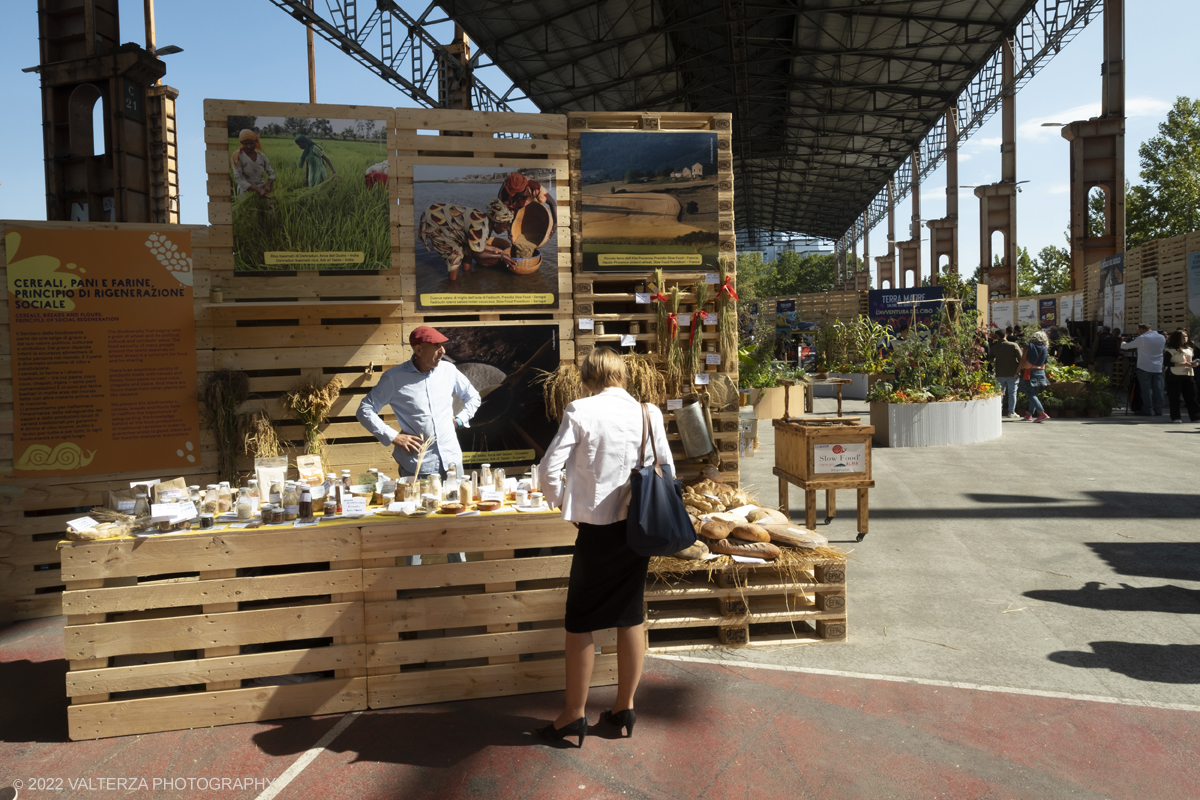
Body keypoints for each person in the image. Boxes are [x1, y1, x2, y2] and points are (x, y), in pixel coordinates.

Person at [535, 348, 673, 747]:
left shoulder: (581, 410)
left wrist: (563, 502)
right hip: (639, 529)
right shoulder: (649, 413)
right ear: (623, 378)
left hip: (596, 529)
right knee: (630, 614)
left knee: (580, 620)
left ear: (587, 379)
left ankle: (572, 715)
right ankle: (624, 707)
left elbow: (548, 469)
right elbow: (667, 468)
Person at [418, 199, 516, 281]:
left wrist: (494, 249)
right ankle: (452, 286)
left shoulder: (486, 220)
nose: (504, 231)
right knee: (456, 254)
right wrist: (502, 256)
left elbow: (475, 245)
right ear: (496, 223)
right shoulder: (480, 226)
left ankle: (467, 276)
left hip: (440, 215)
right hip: (434, 220)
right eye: (503, 228)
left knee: (468, 249)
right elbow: (478, 253)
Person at [1121, 324, 1166, 417]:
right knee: (1158, 389)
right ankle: (1159, 409)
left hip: (1144, 367)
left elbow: (1126, 347)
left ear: (1142, 329)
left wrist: (1123, 342)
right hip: (1157, 367)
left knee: (1146, 390)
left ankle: (1147, 409)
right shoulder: (1161, 337)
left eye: (1138, 331)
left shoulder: (1142, 338)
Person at [1163, 329, 1199, 423]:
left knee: (1192, 396)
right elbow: (1166, 363)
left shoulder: (1190, 349)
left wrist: (1196, 363)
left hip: (1188, 374)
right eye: (1182, 337)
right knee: (1175, 397)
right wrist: (1181, 364)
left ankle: (1196, 417)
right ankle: (1176, 417)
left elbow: (1196, 359)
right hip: (1174, 375)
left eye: (1186, 336)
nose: (1185, 338)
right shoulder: (1170, 350)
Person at [990, 329, 1023, 418]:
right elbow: (1021, 359)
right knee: (1012, 393)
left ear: (997, 337)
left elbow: (990, 360)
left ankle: (998, 412)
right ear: (1006, 335)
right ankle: (1011, 412)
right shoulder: (1013, 345)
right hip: (1013, 373)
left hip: (1000, 373)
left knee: (1000, 393)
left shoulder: (994, 347)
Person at [231, 130, 275, 197]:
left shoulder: (262, 156)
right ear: (241, 143)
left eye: (251, 143)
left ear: (256, 142)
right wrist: (255, 190)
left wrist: (267, 185)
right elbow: (238, 177)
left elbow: (271, 173)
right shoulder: (237, 157)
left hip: (262, 190)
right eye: (246, 144)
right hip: (246, 192)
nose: (249, 146)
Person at [1019, 330, 1051, 422]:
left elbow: (1022, 360)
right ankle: (1029, 414)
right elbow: (1045, 361)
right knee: (1034, 393)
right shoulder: (1045, 347)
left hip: (1029, 372)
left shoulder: (1028, 346)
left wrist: (1017, 371)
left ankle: (1041, 413)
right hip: (1041, 372)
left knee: (1030, 393)